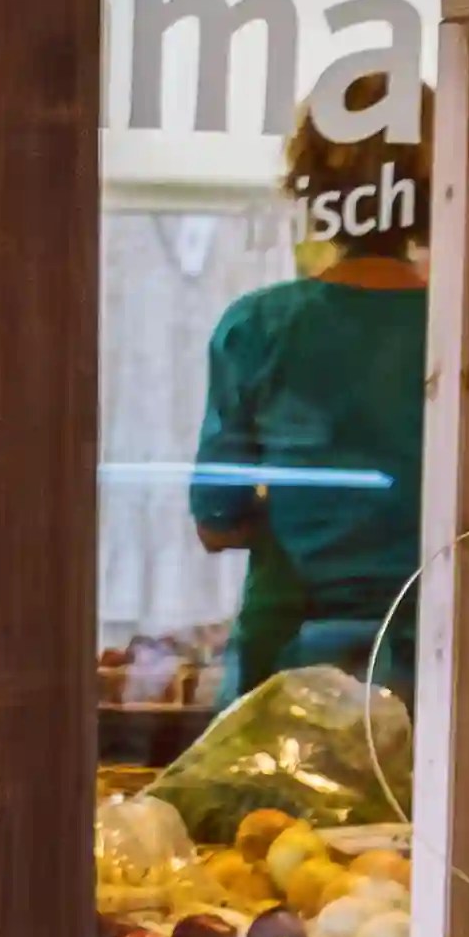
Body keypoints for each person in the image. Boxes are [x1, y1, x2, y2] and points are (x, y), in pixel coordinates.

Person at [188, 103, 431, 697]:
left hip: (288, 663)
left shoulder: (259, 328)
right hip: (435, 662)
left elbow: (217, 523)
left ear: (313, 187)